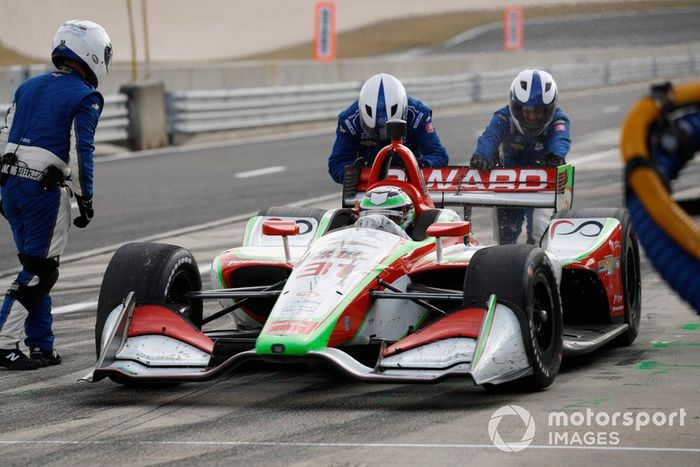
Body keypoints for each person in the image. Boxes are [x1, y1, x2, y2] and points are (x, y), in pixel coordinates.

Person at [0, 20, 112, 370]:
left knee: (35, 264)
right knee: (42, 271)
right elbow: (82, 153)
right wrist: (86, 199)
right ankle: (4, 342)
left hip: (10, 186)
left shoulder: (27, 87)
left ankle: (41, 346)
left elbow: (5, 134)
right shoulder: (85, 96)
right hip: (42, 190)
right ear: (93, 53)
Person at [469, 69, 571, 244]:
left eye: (538, 111)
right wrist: (481, 156)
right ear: (516, 107)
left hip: (545, 180)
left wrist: (556, 156)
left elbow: (560, 139)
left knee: (542, 233)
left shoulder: (558, 120)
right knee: (505, 237)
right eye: (527, 111)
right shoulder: (504, 117)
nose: (532, 117)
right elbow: (489, 138)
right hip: (509, 181)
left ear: (549, 110)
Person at [328, 73, 449, 184]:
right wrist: (353, 173)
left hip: (412, 181)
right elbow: (337, 163)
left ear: (404, 112)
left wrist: (421, 165)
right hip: (370, 183)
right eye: (377, 128)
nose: (383, 134)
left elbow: (438, 156)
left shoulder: (419, 115)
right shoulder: (349, 122)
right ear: (362, 115)